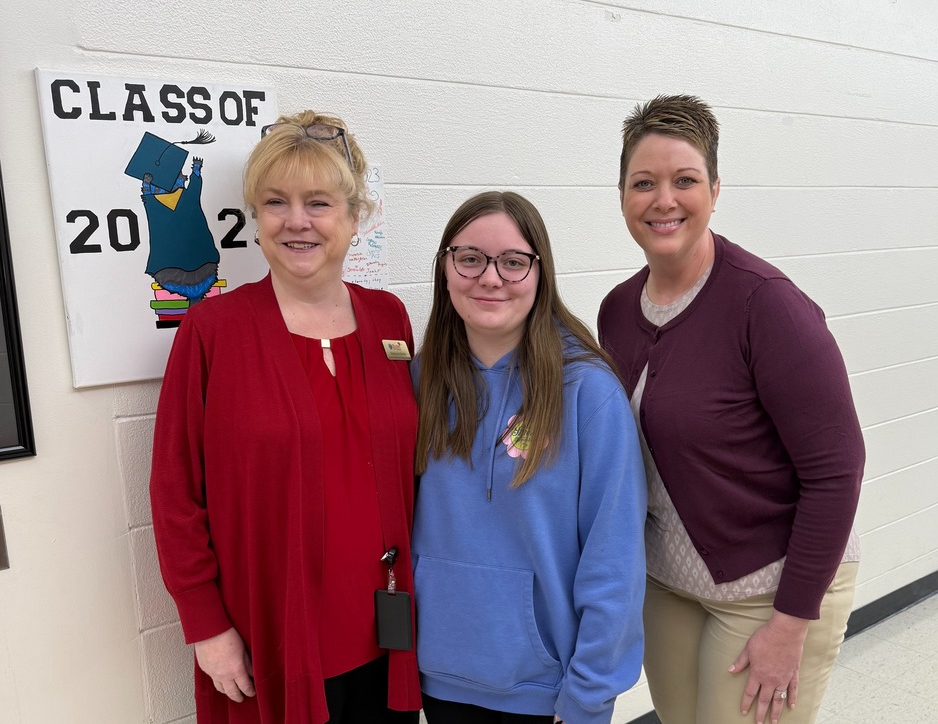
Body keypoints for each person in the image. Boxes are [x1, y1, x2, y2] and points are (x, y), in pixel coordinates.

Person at [597, 94, 865, 724]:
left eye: (684, 180)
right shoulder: (616, 310)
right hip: (670, 583)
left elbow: (836, 471)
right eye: (644, 183)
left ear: (715, 189)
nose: (664, 200)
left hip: (771, 590)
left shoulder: (765, 305)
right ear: (622, 197)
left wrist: (791, 624)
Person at [150, 111, 421, 724]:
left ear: (356, 217)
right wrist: (206, 626)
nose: (297, 221)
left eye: (318, 202)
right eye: (276, 202)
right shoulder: (212, 331)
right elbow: (174, 493)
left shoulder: (389, 319)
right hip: (271, 635)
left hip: (389, 629)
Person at [411, 190, 647, 724]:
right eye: (469, 258)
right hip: (437, 676)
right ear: (445, 269)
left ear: (540, 274)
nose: (489, 278)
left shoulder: (587, 393)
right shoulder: (421, 382)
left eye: (513, 262)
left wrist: (590, 692)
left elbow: (615, 559)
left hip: (547, 691)